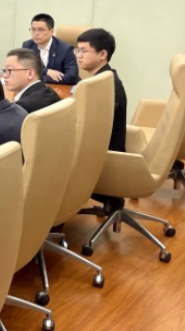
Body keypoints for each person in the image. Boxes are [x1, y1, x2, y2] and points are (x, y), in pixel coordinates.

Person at [75, 28, 126, 212]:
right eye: (77, 50)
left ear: (102, 54)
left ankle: (55, 220)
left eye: (84, 51)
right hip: (99, 150)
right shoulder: (104, 79)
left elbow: (92, 130)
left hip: (104, 159)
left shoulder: (105, 87)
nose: (78, 55)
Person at [0, 48, 60, 141]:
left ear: (30, 74)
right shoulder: (48, 92)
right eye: (4, 70)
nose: (4, 75)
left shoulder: (23, 106)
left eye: (9, 70)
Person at [22, 13, 79, 85]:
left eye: (41, 30)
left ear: (51, 31)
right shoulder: (28, 46)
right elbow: (23, 69)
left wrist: (41, 78)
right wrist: (46, 71)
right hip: (37, 87)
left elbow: (72, 77)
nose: (36, 34)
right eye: (33, 29)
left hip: (60, 88)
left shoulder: (65, 49)